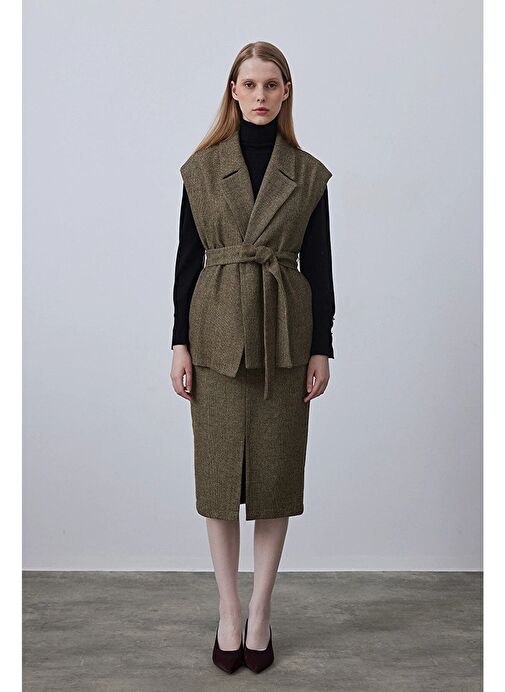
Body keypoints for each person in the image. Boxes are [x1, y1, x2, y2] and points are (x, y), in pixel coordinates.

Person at [170, 41, 336, 674]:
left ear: (286, 92)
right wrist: (178, 342)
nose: (260, 95)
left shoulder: (309, 173)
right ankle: (228, 610)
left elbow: (319, 265)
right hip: (214, 332)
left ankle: (261, 611)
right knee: (218, 479)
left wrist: (322, 346)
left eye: (272, 84)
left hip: (284, 335)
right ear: (233, 90)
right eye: (250, 84)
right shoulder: (201, 169)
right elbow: (186, 260)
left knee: (273, 478)